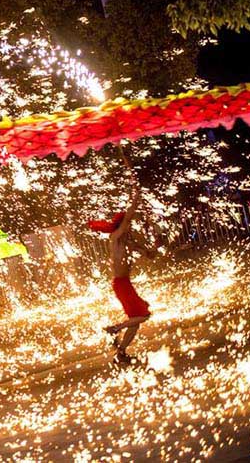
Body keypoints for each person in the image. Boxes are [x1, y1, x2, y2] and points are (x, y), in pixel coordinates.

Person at [90, 151, 155, 365]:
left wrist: (149, 251)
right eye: (128, 223)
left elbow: (146, 253)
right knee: (144, 315)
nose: (131, 225)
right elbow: (129, 214)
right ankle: (114, 329)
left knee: (135, 322)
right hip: (121, 284)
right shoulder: (117, 237)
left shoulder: (126, 241)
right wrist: (136, 193)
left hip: (124, 283)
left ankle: (121, 353)